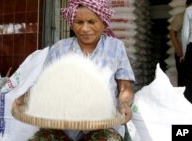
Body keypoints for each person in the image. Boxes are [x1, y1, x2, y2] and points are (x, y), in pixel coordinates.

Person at [12, 0, 135, 140]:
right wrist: (25, 97)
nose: (84, 28)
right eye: (79, 22)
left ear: (104, 22)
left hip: (103, 126)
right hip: (62, 126)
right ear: (72, 23)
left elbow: (125, 86)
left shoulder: (116, 47)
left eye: (91, 22)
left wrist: (124, 104)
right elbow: (44, 85)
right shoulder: (59, 48)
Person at [169, 10, 186, 86]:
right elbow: (172, 33)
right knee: (183, 78)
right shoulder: (181, 17)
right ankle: (183, 96)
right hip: (183, 53)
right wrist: (178, 49)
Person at [182, 0, 192, 103]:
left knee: (190, 81)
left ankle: (189, 109)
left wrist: (184, 53)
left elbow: (185, 34)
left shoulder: (189, 10)